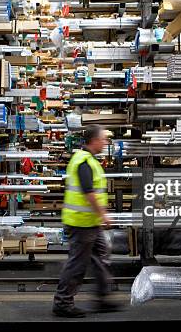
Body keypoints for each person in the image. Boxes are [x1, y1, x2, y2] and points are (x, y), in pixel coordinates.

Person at [52, 125, 120, 318]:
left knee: (101, 256)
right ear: (94, 140)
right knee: (77, 264)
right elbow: (88, 192)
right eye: (103, 139)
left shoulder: (89, 160)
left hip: (90, 222)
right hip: (81, 223)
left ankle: (103, 298)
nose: (105, 143)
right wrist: (103, 215)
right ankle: (63, 303)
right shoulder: (83, 161)